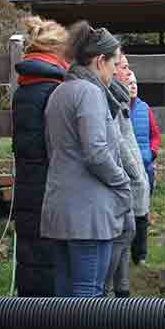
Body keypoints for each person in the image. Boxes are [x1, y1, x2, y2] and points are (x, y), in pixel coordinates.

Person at [41, 22, 132, 297]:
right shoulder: (90, 93)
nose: (116, 71)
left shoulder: (59, 92)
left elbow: (53, 150)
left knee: (64, 294)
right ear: (99, 60)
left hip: (60, 210)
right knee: (88, 296)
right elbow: (96, 152)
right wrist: (122, 181)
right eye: (114, 63)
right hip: (89, 216)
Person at [11, 16, 71, 297]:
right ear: (56, 51)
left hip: (27, 183)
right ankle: (46, 318)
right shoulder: (53, 90)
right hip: (49, 185)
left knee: (31, 256)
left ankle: (29, 313)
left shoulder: (25, 87)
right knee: (48, 259)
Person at [104, 55, 149, 297]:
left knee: (127, 233)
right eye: (124, 67)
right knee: (122, 234)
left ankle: (122, 291)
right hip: (120, 181)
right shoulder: (110, 99)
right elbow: (117, 141)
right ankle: (107, 290)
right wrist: (134, 173)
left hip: (129, 179)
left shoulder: (121, 98)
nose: (128, 72)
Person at [126, 70, 160, 265]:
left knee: (143, 212)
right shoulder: (117, 108)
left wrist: (151, 153)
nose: (133, 86)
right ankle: (124, 254)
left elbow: (155, 135)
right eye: (129, 83)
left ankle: (140, 255)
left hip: (145, 168)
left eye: (135, 83)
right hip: (126, 170)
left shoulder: (144, 108)